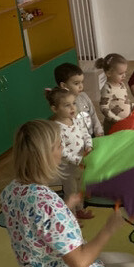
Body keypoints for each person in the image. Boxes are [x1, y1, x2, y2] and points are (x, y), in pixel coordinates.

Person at [0, 120, 134, 267]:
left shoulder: (10, 190)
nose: (63, 150)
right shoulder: (47, 204)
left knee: (131, 260)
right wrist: (108, 229)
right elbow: (78, 262)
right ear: (44, 156)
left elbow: (36, 229)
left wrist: (66, 207)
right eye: (59, 145)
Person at [46, 86, 93, 219]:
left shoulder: (76, 120)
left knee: (80, 188)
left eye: (74, 103)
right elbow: (62, 151)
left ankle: (80, 209)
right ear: (55, 109)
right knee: (71, 192)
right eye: (67, 105)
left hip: (81, 163)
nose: (73, 108)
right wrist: (78, 160)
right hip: (68, 167)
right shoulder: (57, 128)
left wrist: (89, 145)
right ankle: (71, 217)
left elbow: (85, 133)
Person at [55, 61, 104, 138]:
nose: (81, 86)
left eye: (82, 82)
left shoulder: (84, 96)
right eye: (76, 83)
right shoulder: (63, 105)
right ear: (64, 85)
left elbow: (93, 114)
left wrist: (99, 131)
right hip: (79, 139)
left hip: (92, 135)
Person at [96, 52, 134, 133]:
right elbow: (103, 107)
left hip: (125, 123)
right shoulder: (107, 88)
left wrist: (133, 106)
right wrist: (117, 120)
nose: (124, 76)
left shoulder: (122, 85)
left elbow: (125, 100)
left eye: (125, 72)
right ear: (108, 73)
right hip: (113, 126)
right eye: (120, 73)